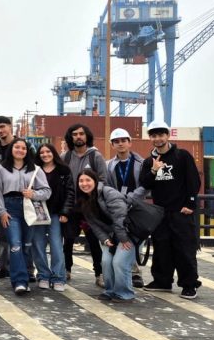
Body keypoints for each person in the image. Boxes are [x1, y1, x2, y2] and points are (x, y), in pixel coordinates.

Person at [139, 121, 202, 299]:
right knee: (161, 248)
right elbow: (144, 184)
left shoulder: (182, 156)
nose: (157, 139)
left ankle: (189, 285)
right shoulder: (148, 161)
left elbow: (194, 181)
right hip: (160, 212)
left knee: (184, 249)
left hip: (181, 211)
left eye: (160, 135)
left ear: (167, 136)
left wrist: (190, 204)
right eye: (153, 135)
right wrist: (153, 170)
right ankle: (162, 281)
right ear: (150, 137)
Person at [0, 138, 52, 295]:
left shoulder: (35, 169)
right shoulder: (0, 168)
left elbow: (47, 191)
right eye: (17, 147)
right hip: (10, 209)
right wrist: (1, 212)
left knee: (26, 245)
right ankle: (19, 281)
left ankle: (24, 276)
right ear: (11, 149)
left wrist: (34, 194)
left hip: (28, 207)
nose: (20, 150)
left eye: (23, 148)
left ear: (27, 151)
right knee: (15, 244)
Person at [0, 116, 36, 280]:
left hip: (26, 198)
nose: (0, 130)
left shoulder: (26, 145)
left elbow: (35, 169)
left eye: (3, 126)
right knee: (3, 235)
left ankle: (29, 269)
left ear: (10, 127)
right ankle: (3, 266)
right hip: (4, 198)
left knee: (27, 238)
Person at [76, 169, 135, 302]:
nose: (84, 184)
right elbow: (93, 224)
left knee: (119, 262)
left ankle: (125, 293)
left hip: (128, 232)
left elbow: (121, 217)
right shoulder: (83, 199)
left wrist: (123, 238)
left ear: (95, 181)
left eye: (88, 180)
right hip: (111, 234)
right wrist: (104, 239)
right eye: (81, 181)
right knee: (106, 262)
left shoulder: (108, 192)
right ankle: (110, 290)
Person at [61, 123, 107, 287]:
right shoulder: (65, 157)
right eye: (75, 134)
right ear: (70, 137)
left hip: (90, 208)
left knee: (94, 241)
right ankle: (66, 270)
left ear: (87, 136)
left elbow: (103, 180)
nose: (78, 137)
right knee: (68, 240)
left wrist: (91, 195)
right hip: (71, 207)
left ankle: (99, 273)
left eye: (81, 133)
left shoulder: (96, 156)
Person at [106, 128, 149, 288]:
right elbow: (108, 187)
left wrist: (129, 198)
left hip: (137, 208)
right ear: (112, 145)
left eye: (123, 140)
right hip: (118, 209)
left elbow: (146, 186)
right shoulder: (109, 165)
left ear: (130, 143)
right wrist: (117, 201)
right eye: (116, 141)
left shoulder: (142, 163)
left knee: (138, 242)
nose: (120, 144)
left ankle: (136, 273)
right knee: (122, 240)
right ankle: (130, 272)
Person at [33, 143, 72, 291]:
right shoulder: (34, 170)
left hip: (56, 213)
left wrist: (65, 212)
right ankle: (43, 275)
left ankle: (58, 278)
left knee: (56, 246)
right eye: (41, 152)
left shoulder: (64, 170)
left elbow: (70, 192)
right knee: (38, 245)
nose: (45, 154)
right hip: (38, 213)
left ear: (53, 153)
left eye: (48, 151)